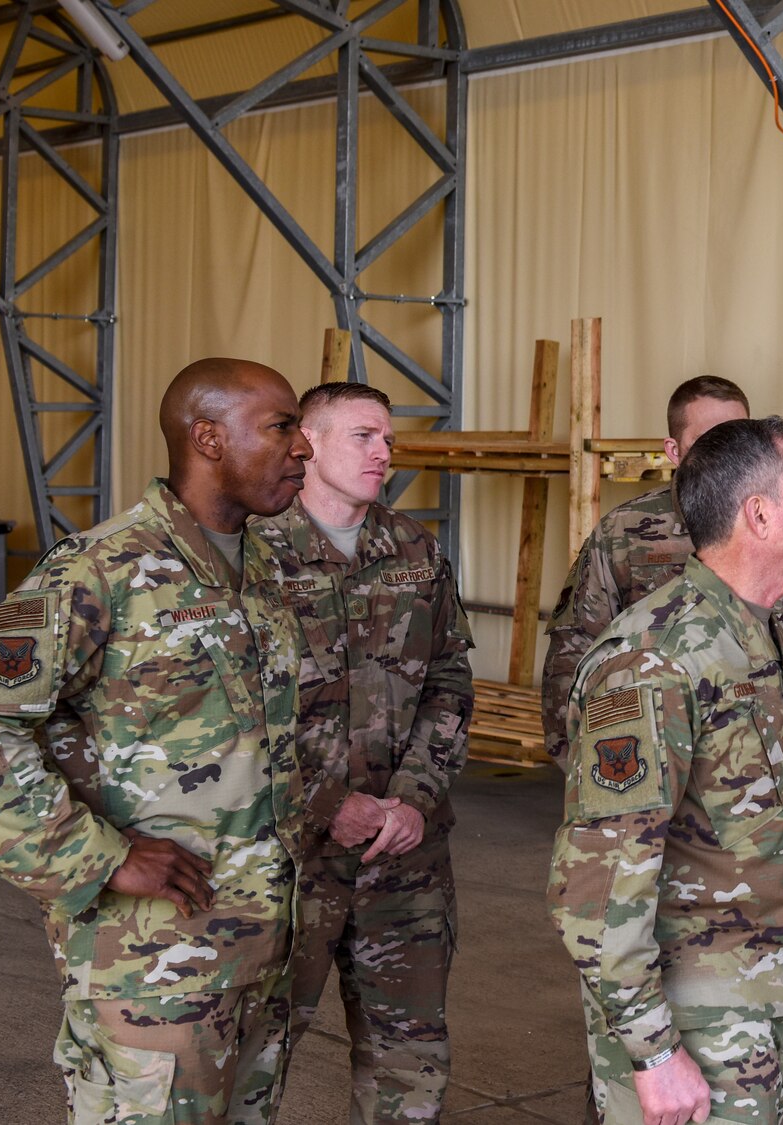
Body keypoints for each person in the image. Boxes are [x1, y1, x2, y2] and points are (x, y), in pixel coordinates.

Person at [0, 358, 312, 1125]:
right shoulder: (100, 571)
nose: (304, 448)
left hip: (258, 952)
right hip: (151, 967)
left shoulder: (265, 570)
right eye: (281, 426)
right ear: (208, 438)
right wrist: (98, 855)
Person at [549, 416, 783, 1125]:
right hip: (695, 1016)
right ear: (760, 514)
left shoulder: (753, 632)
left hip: (765, 994)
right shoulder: (654, 657)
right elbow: (601, 879)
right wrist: (652, 1051)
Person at [253, 382, 474, 1124]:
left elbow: (448, 682)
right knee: (251, 1055)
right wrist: (326, 804)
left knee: (409, 1059)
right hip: (287, 862)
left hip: (403, 860)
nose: (385, 452)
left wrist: (412, 799)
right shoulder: (252, 555)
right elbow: (228, 716)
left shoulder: (415, 550)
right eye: (364, 436)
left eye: (388, 438)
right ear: (307, 443)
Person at [542, 375, 783, 803]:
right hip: (655, 780)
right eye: (709, 438)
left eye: (739, 435)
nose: (727, 452)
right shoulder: (624, 533)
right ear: (674, 450)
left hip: (774, 779)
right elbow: (573, 656)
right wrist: (602, 772)